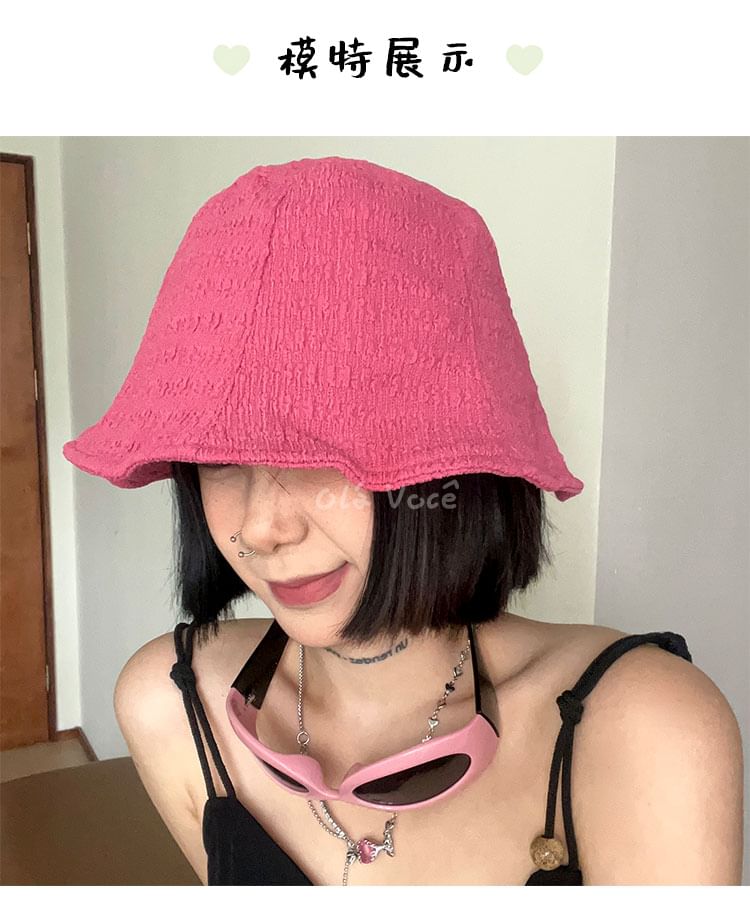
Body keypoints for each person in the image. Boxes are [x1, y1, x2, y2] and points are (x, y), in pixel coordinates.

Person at [63, 156, 743, 885]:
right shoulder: (171, 703)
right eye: (221, 459)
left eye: (317, 454)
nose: (260, 529)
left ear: (456, 469)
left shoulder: (643, 733)